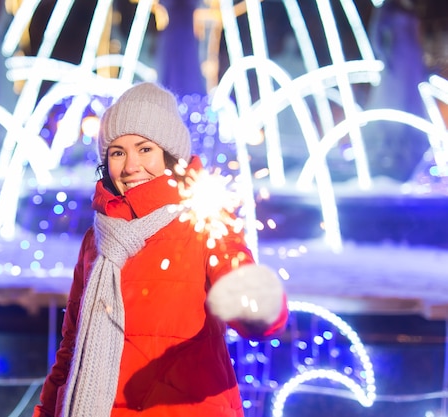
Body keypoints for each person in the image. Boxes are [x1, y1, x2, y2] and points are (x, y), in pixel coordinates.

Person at [32, 82, 288, 417]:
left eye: (144, 149)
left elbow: (255, 309)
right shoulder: (97, 239)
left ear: (170, 155)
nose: (130, 166)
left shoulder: (204, 220)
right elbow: (71, 349)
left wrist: (259, 305)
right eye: (117, 152)